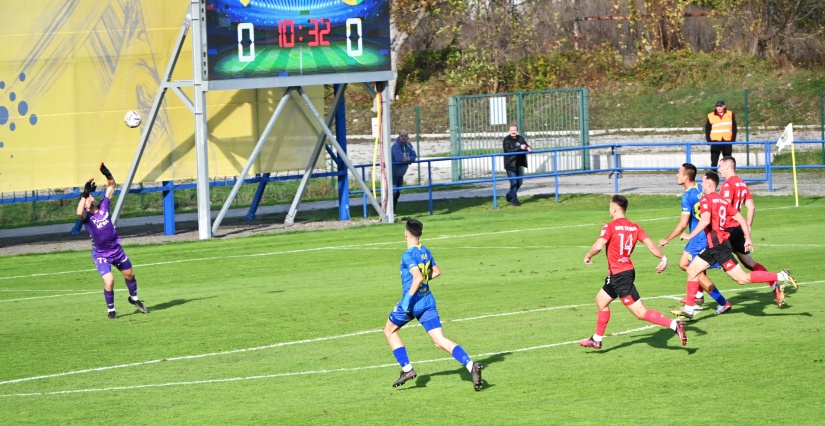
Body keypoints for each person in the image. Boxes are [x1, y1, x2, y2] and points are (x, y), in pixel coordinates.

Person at [676, 171, 797, 319]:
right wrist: (748, 239)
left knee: (742, 279)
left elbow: (706, 221)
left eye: (703, 181)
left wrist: (690, 235)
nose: (701, 184)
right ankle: (689, 309)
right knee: (692, 270)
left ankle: (781, 275)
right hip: (713, 246)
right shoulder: (722, 201)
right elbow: (742, 220)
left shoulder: (706, 200)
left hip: (719, 247)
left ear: (709, 184)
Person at [383, 219, 483, 391]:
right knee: (439, 340)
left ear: (406, 233)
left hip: (412, 302)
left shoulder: (407, 255)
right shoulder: (425, 251)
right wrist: (421, 282)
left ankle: (407, 369)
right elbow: (436, 272)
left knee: (390, 331)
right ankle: (470, 365)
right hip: (427, 301)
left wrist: (407, 299)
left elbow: (418, 277)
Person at [579, 195, 688, 349]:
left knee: (640, 313)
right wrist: (663, 258)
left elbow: (598, 246)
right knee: (601, 301)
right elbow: (650, 245)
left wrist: (588, 255)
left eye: (610, 207)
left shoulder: (609, 226)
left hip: (620, 276)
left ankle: (673, 325)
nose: (610, 210)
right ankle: (596, 339)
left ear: (615, 208)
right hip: (622, 273)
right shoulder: (635, 227)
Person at [76, 163, 148, 320]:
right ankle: (111, 311)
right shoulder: (87, 218)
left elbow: (111, 185)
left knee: (130, 275)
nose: (89, 199)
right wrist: (83, 195)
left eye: (89, 196)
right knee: (109, 281)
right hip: (101, 254)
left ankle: (134, 299)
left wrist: (107, 173)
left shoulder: (103, 206)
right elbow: (78, 212)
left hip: (116, 249)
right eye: (86, 199)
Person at [717, 156, 792, 307]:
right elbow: (751, 207)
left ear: (726, 166)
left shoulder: (727, 185)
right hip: (738, 229)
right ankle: (774, 285)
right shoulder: (742, 184)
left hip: (726, 231)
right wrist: (748, 226)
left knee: (697, 261)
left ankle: (697, 298)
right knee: (750, 263)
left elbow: (723, 207)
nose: (718, 170)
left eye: (720, 166)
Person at [659, 163, 731, 315]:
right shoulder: (701, 188)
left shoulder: (687, 197)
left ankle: (721, 301)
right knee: (693, 267)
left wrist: (667, 239)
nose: (676, 175)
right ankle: (699, 296)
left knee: (687, 265)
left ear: (686, 177)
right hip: (707, 235)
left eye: (679, 173)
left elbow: (683, 224)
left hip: (699, 238)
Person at [502, 124, 532, 206]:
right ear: (509, 131)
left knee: (519, 182)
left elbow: (525, 145)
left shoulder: (520, 138)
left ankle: (509, 195)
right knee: (514, 183)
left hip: (518, 164)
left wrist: (528, 148)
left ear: (517, 131)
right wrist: (519, 148)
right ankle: (514, 200)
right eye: (511, 130)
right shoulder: (506, 140)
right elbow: (508, 151)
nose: (513, 132)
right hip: (510, 164)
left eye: (514, 130)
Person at [705, 100, 736, 168]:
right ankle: (713, 175)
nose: (718, 108)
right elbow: (707, 129)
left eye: (720, 106)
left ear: (724, 106)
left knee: (728, 160)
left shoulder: (730, 114)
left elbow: (734, 127)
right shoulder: (711, 115)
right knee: (714, 161)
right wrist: (708, 140)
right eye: (717, 106)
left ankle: (729, 175)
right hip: (715, 141)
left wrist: (733, 139)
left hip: (727, 140)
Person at [390, 131, 417, 207]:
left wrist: (408, 159)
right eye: (402, 136)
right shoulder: (396, 146)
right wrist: (409, 161)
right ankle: (390, 211)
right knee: (393, 193)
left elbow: (414, 156)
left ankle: (393, 210)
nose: (403, 137)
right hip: (393, 174)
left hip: (401, 174)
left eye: (405, 136)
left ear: (407, 137)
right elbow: (399, 159)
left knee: (398, 193)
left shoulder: (409, 145)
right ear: (399, 137)